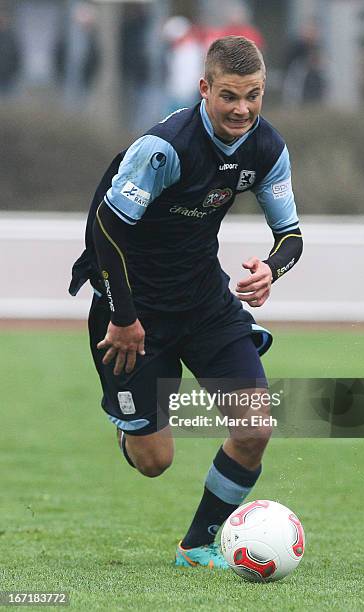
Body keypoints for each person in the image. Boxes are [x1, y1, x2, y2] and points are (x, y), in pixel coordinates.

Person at [69, 36, 303, 569]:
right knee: (155, 461)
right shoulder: (165, 148)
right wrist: (124, 318)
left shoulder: (266, 147)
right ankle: (135, 425)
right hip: (132, 308)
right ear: (204, 89)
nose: (242, 108)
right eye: (229, 96)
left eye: (253, 95)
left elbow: (290, 235)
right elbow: (105, 229)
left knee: (254, 428)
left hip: (204, 304)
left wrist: (272, 267)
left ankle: (197, 546)